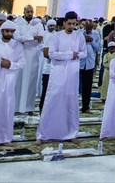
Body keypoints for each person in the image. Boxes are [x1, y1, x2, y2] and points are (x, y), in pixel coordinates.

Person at [37, 11, 87, 143]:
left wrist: (73, 55)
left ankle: (71, 133)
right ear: (64, 23)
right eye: (69, 24)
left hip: (73, 75)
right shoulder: (56, 36)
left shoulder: (79, 36)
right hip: (57, 75)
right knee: (52, 100)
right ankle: (43, 134)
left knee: (70, 102)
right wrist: (70, 55)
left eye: (74, 24)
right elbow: (51, 54)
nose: (71, 26)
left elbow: (84, 53)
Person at [13, 6, 46, 115]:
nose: (30, 13)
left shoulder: (38, 24)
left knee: (31, 81)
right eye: (28, 12)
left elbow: (41, 37)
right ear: (24, 12)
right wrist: (33, 38)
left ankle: (29, 107)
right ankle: (17, 106)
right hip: (20, 54)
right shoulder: (18, 23)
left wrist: (26, 39)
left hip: (33, 56)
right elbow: (17, 38)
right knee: (19, 80)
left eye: (31, 12)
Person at [80, 19, 101, 113]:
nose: (88, 30)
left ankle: (85, 106)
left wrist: (91, 40)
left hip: (90, 63)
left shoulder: (96, 34)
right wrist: (83, 40)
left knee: (87, 87)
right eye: (87, 28)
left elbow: (98, 48)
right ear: (84, 26)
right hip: (79, 63)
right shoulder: (79, 33)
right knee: (74, 86)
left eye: (90, 28)